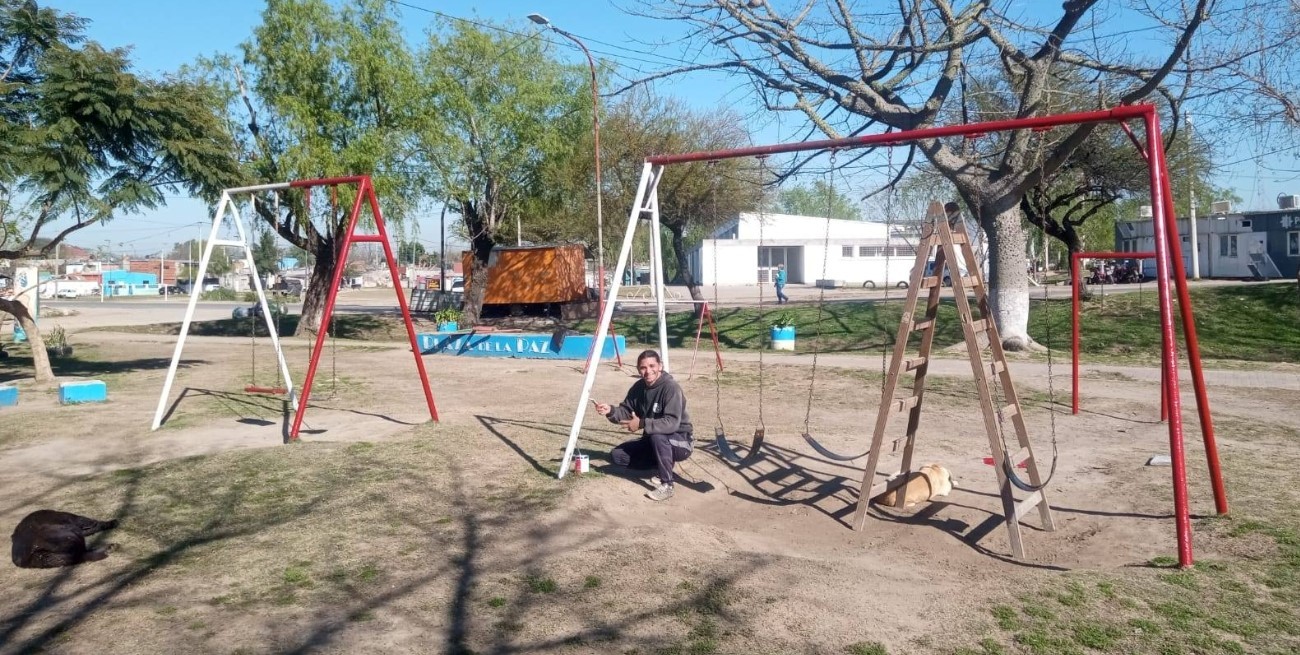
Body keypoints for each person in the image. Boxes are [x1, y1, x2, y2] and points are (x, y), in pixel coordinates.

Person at [594, 350, 693, 501]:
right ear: (638, 369)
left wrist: (641, 423)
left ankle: (667, 484)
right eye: (643, 368)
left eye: (652, 366)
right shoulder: (638, 388)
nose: (648, 371)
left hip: (680, 441)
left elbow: (671, 424)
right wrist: (611, 411)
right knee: (618, 456)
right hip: (653, 440)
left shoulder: (671, 388)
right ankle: (661, 465)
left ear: (660, 366)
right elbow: (626, 412)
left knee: (658, 437)